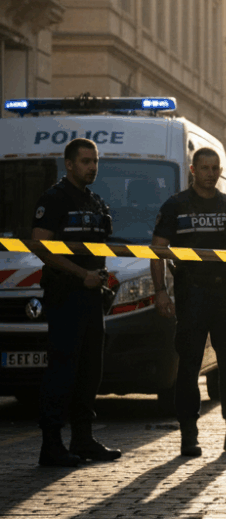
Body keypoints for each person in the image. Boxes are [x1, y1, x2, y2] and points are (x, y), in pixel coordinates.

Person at [151, 147, 226, 457]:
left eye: (215, 168)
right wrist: (160, 291)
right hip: (193, 295)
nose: (211, 173)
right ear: (193, 169)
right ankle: (188, 435)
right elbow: (158, 250)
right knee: (188, 366)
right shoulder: (175, 206)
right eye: (205, 168)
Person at [31, 138, 121, 467]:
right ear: (69, 164)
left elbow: (99, 249)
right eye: (85, 161)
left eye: (95, 161)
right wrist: (80, 273)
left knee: (89, 371)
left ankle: (83, 439)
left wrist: (103, 278)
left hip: (91, 295)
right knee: (62, 370)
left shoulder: (96, 202)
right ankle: (51, 445)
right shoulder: (54, 199)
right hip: (65, 294)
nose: (92, 167)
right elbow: (40, 246)